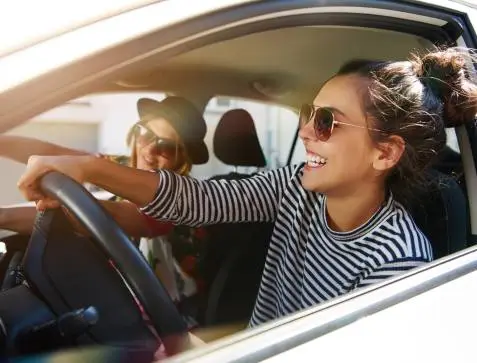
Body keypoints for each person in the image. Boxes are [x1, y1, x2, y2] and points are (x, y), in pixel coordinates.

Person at [16, 47, 477, 328]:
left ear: (385, 153)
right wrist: (85, 167)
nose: (307, 133)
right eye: (306, 112)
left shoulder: (397, 260)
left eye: (326, 121)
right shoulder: (296, 188)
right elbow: (198, 201)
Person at [0, 96, 210, 317]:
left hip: (165, 322)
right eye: (145, 135)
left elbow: (112, 215)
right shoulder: (122, 165)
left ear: (182, 159)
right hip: (115, 297)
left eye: (166, 148)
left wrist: (3, 216)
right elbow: (53, 153)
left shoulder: (179, 200)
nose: (149, 151)